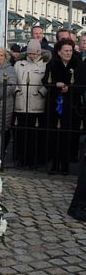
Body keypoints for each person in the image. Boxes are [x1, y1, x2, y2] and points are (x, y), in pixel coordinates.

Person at [42, 38, 82, 174]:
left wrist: (69, 88)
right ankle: (54, 164)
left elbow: (81, 84)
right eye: (66, 50)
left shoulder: (77, 64)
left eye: (70, 50)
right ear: (59, 52)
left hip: (70, 104)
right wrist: (56, 85)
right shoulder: (52, 64)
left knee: (67, 136)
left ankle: (65, 166)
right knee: (54, 135)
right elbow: (45, 81)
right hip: (54, 103)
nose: (69, 53)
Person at [13, 39, 49, 168]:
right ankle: (21, 159)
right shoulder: (19, 64)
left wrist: (42, 92)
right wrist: (16, 90)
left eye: (34, 53)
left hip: (37, 104)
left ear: (39, 53)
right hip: (21, 104)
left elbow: (48, 83)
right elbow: (12, 80)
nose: (32, 56)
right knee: (22, 134)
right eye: (30, 53)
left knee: (35, 135)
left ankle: (34, 160)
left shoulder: (44, 66)